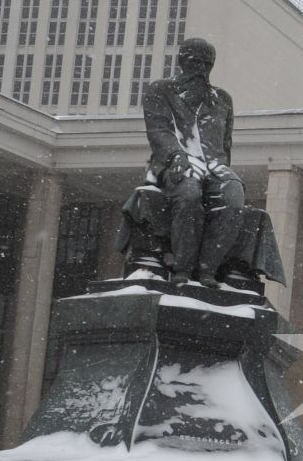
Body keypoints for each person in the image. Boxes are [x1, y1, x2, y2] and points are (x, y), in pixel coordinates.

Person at [118, 38, 285, 290]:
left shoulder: (222, 99)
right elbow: (159, 131)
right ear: (183, 61)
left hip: (213, 166)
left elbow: (225, 143)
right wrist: (176, 156)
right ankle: (183, 267)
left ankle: (208, 268)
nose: (201, 68)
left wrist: (221, 171)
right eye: (195, 61)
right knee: (189, 193)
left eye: (207, 63)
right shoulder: (160, 90)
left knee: (234, 195)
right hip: (172, 162)